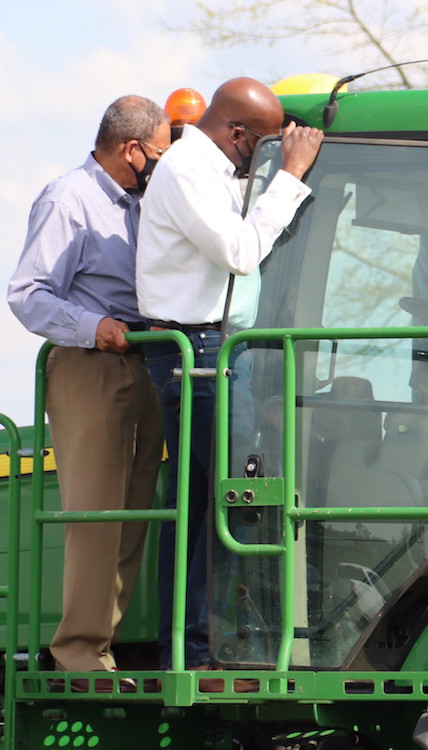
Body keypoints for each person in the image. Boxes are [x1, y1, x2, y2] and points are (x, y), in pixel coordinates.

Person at [135, 77, 324, 683]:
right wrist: (292, 176)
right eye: (262, 147)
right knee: (218, 504)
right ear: (237, 135)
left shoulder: (219, 168)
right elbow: (240, 251)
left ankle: (201, 644)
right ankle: (198, 650)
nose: (264, 160)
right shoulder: (189, 168)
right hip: (196, 349)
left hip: (219, 348)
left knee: (206, 504)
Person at [7, 96, 171, 684]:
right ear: (132, 150)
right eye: (159, 154)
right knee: (98, 515)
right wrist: (93, 328)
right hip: (90, 365)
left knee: (131, 517)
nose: (162, 165)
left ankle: (105, 649)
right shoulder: (67, 198)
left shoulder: (140, 203)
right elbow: (27, 294)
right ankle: (79, 654)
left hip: (145, 362)